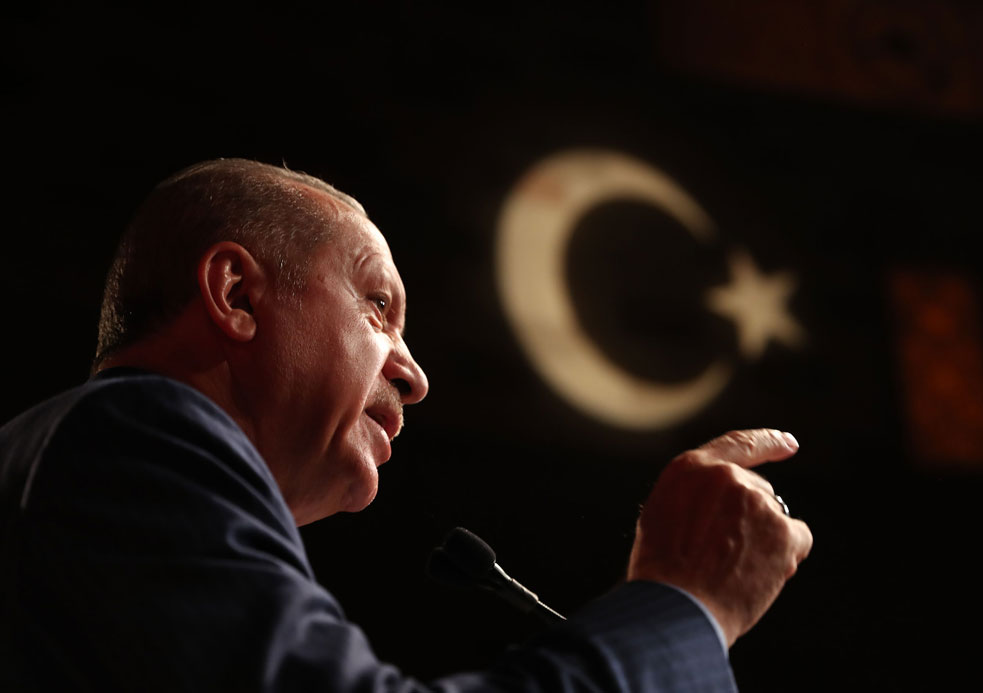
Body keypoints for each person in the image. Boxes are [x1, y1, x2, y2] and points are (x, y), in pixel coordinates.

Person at [0, 158, 812, 691]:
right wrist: (685, 601)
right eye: (378, 307)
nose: (414, 374)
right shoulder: (135, 435)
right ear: (239, 295)